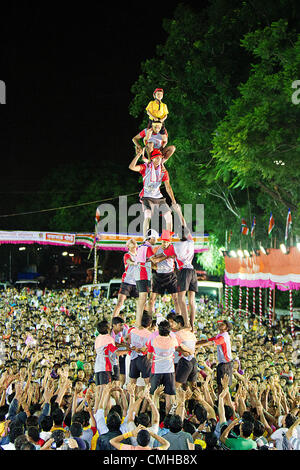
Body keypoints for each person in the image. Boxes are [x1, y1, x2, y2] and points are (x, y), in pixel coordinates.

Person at [152, 224, 198, 329]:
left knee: (181, 298)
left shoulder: (175, 246)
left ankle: (186, 324)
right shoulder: (191, 242)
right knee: (191, 301)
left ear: (177, 235)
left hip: (184, 272)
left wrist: (150, 259)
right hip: (192, 271)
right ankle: (192, 324)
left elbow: (158, 258)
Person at [129, 147, 177, 238]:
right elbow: (131, 167)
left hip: (158, 197)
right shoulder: (145, 167)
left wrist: (173, 201)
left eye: (160, 158)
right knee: (147, 216)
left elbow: (168, 187)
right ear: (152, 158)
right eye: (157, 158)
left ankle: (167, 239)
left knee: (168, 215)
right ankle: (145, 239)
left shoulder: (163, 171)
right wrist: (138, 155)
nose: (159, 160)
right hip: (147, 196)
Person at [146, 320, 178, 414]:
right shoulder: (173, 340)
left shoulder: (153, 340)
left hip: (156, 370)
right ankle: (169, 420)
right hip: (169, 370)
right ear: (169, 330)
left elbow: (149, 356)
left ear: (158, 329)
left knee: (154, 396)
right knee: (170, 397)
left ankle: (154, 420)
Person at [148, 230, 180, 316]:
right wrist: (156, 267)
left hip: (170, 275)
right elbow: (150, 262)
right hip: (158, 275)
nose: (165, 244)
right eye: (163, 242)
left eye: (166, 242)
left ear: (170, 242)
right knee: (152, 299)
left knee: (176, 299)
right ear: (161, 241)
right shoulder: (156, 249)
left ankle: (179, 318)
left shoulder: (172, 249)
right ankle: (149, 319)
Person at [197, 320, 233, 395]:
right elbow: (207, 340)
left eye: (222, 324)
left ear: (226, 328)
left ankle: (223, 403)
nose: (220, 324)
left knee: (224, 386)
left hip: (226, 364)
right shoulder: (219, 335)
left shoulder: (224, 337)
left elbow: (211, 343)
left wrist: (197, 346)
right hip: (221, 363)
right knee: (219, 385)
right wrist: (196, 343)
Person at [134, 229, 158, 327]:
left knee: (142, 300)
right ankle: (138, 323)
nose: (156, 241)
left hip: (141, 273)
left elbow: (148, 262)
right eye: (155, 239)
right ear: (151, 238)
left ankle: (139, 322)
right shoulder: (147, 248)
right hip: (143, 274)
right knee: (142, 299)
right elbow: (154, 260)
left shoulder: (141, 246)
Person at [112, 238, 138, 318]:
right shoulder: (127, 255)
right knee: (120, 302)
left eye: (134, 241)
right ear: (128, 246)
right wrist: (138, 262)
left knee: (142, 303)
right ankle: (112, 322)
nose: (133, 242)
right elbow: (130, 262)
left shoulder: (140, 255)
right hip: (127, 281)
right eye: (131, 242)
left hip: (137, 281)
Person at [126, 313, 153, 388]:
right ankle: (149, 399)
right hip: (144, 359)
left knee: (132, 383)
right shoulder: (150, 335)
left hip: (133, 358)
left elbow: (128, 344)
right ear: (149, 324)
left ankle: (131, 399)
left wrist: (135, 348)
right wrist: (141, 349)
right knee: (148, 382)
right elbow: (148, 349)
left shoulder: (132, 331)